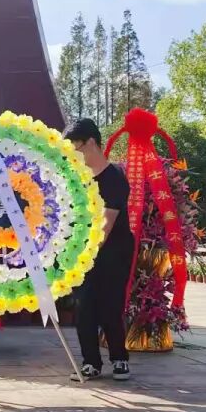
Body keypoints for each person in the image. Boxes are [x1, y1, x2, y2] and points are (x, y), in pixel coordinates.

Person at [64, 118, 135, 381]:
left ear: (91, 142)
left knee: (110, 304)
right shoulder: (78, 179)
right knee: (83, 306)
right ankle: (90, 362)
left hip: (112, 251)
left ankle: (119, 358)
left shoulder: (114, 177)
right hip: (83, 251)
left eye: (76, 148)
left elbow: (106, 223)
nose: (74, 155)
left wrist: (86, 252)